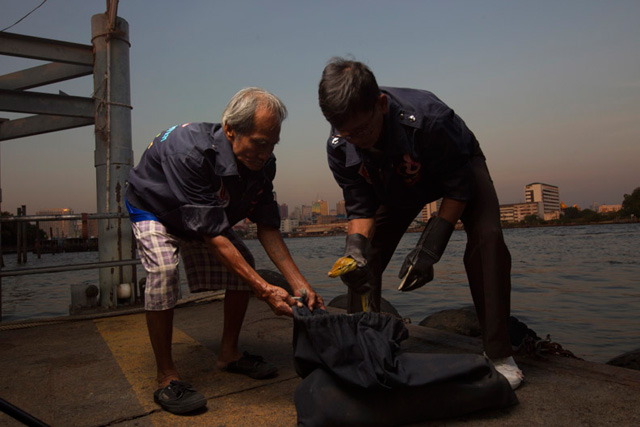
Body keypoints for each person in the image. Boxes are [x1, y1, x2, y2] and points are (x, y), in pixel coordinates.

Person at [317, 57, 523, 390]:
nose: (356, 138)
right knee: (363, 261)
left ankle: (500, 353)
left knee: (488, 239)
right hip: (397, 181)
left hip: (457, 168)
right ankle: (365, 346)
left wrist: (429, 248)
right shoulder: (341, 146)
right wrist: (355, 251)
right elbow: (360, 208)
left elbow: (458, 188)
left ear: (381, 105)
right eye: (346, 132)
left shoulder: (431, 119)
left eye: (363, 129)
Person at [126, 87, 325, 414]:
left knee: (242, 264)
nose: (265, 154)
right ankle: (166, 377)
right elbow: (213, 234)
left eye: (272, 144)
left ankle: (228, 354)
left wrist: (300, 284)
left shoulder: (263, 163)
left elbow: (267, 226)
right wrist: (264, 289)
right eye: (260, 143)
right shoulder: (190, 152)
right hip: (155, 208)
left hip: (203, 217)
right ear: (230, 130)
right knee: (162, 270)